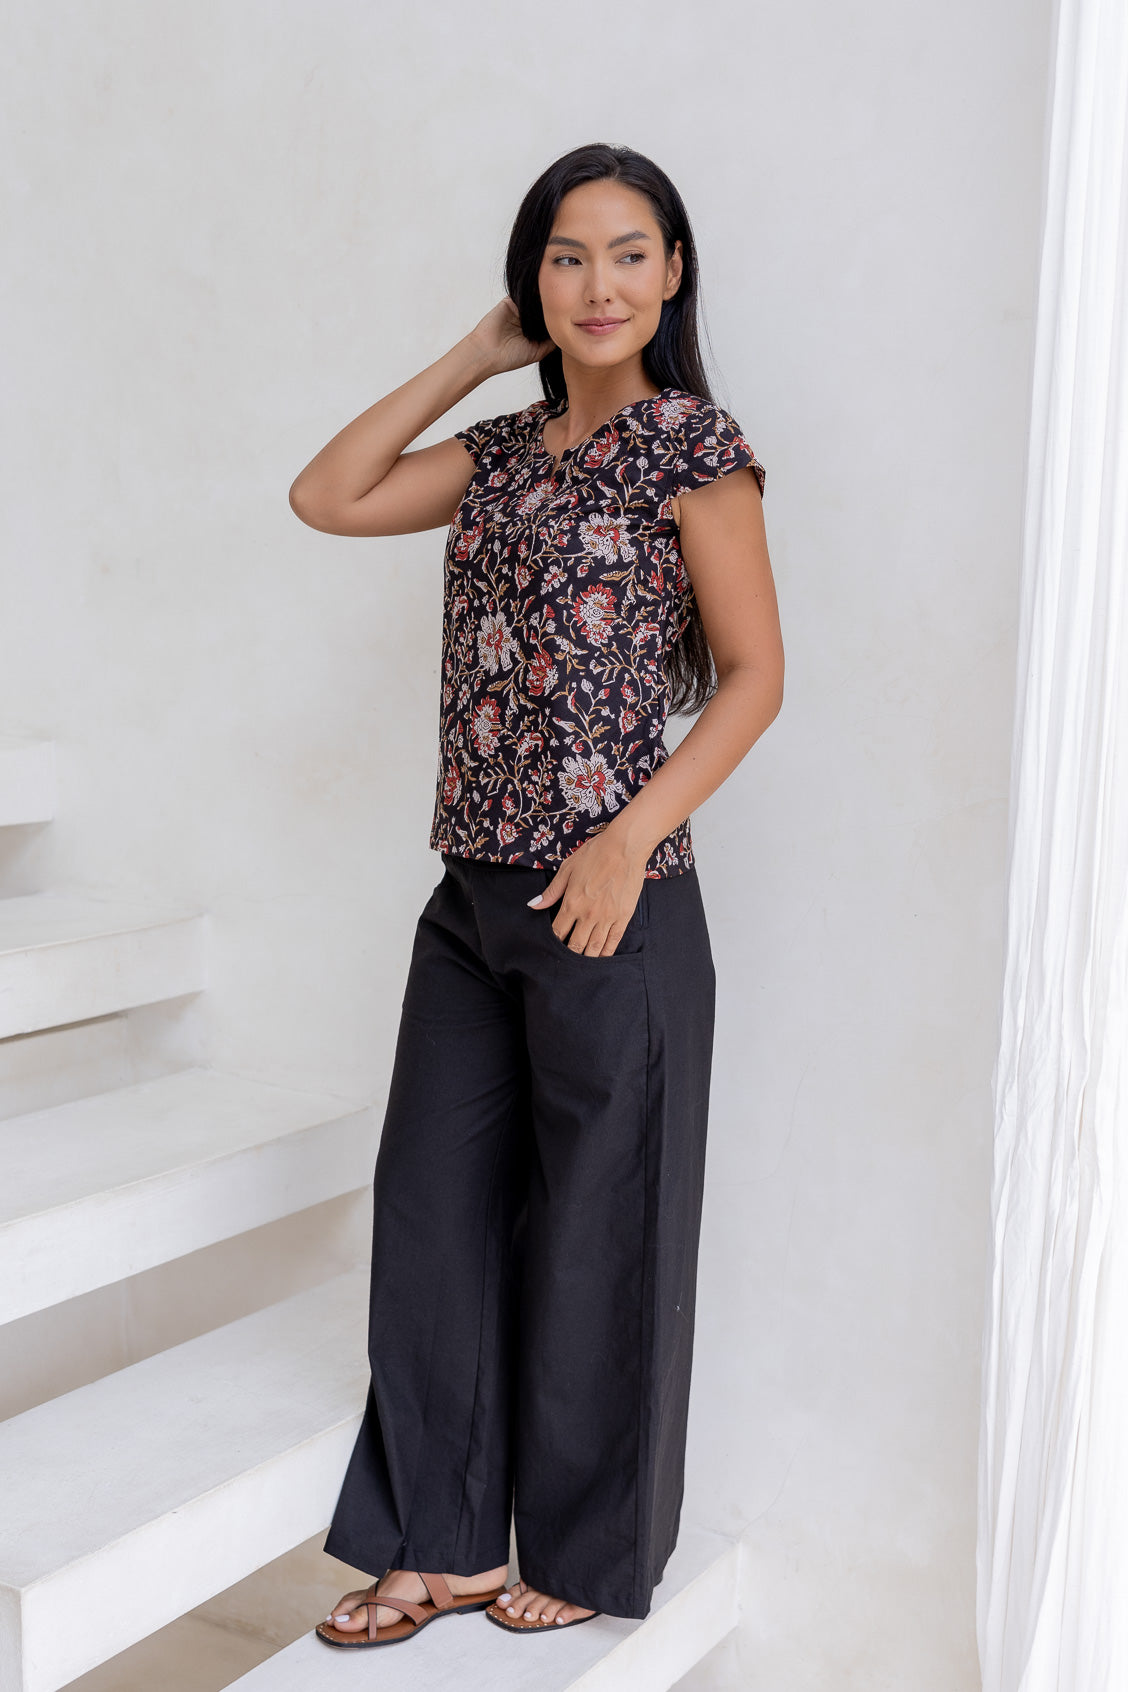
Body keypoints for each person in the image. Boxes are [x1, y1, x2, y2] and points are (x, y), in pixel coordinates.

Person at [288, 141, 783, 1650]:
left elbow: (757, 679)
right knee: (431, 1211)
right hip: (473, 897)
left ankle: (578, 1545)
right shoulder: (502, 456)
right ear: (535, 280)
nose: (599, 284)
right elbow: (326, 493)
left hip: (613, 906)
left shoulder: (696, 449)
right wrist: (471, 352)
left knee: (599, 1235)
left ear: (674, 273)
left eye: (630, 252)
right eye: (567, 256)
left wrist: (631, 839)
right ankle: (441, 1544)